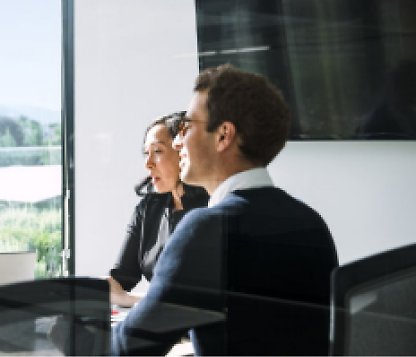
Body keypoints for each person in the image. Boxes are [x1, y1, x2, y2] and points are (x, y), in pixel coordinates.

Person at [112, 64, 338, 355]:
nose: (178, 141)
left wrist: (67, 334)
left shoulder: (207, 230)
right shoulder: (311, 222)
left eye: (186, 126)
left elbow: (129, 348)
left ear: (223, 135)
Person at [108, 112, 208, 307]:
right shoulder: (148, 208)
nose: (148, 164)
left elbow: (194, 300)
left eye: (158, 151)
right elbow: (120, 278)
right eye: (147, 153)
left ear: (183, 150)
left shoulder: (212, 209)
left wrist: (128, 299)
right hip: (158, 324)